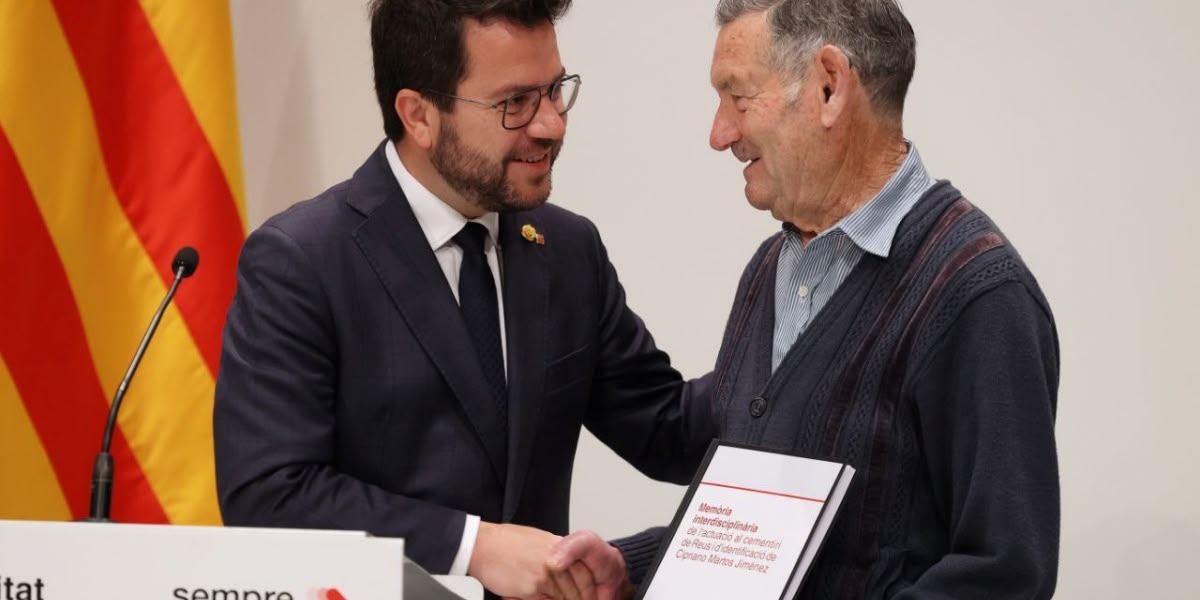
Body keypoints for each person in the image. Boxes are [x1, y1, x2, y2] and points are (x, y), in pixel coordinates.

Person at [549, 0, 1061, 598]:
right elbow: (765, 528)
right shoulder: (775, 268)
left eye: (738, 98)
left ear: (828, 86)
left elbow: (1003, 579)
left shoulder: (978, 295)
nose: (720, 135)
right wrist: (633, 564)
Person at [212, 1, 713, 598]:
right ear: (418, 115)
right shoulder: (302, 261)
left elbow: (669, 431)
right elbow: (269, 495)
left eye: (555, 91)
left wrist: (805, 313)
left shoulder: (568, 248)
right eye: (515, 103)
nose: (551, 124)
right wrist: (473, 547)